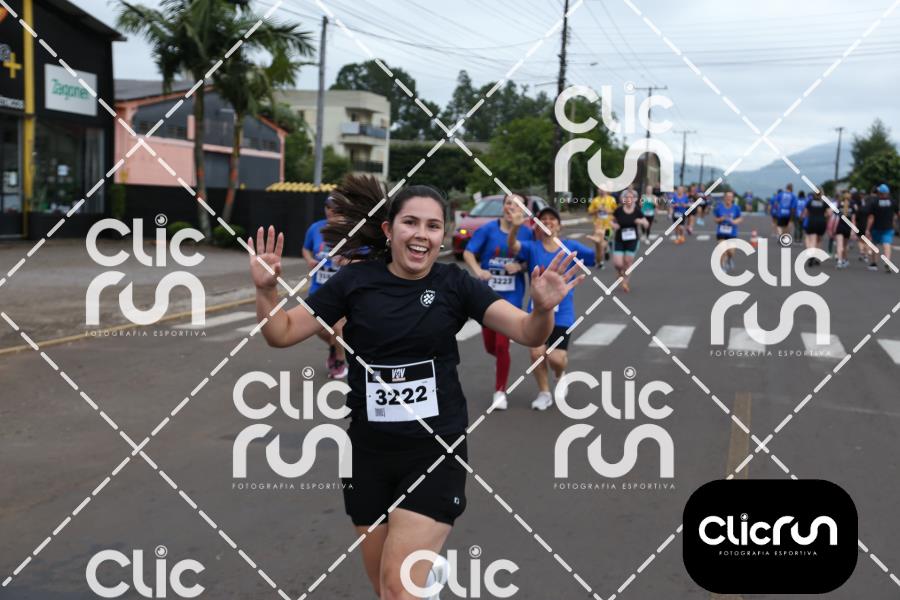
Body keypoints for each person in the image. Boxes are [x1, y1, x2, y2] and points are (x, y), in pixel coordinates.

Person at [249, 175, 583, 600]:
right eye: (411, 222)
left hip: (434, 451)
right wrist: (266, 291)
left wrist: (542, 308)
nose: (421, 234)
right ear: (389, 230)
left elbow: (525, 330)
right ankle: (426, 581)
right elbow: (280, 332)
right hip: (368, 454)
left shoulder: (454, 285)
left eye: (433, 225)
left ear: (442, 236)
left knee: (397, 588)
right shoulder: (354, 283)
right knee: (384, 588)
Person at [507, 206, 601, 411]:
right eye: (543, 219)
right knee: (536, 354)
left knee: (556, 358)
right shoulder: (532, 247)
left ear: (559, 225)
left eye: (552, 219)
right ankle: (544, 393)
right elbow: (513, 246)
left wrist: (600, 244)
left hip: (562, 312)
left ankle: (560, 375)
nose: (548, 222)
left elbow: (597, 259)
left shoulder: (570, 246)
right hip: (537, 311)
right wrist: (514, 227)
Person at [463, 194, 533, 412]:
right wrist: (478, 271)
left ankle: (500, 391)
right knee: (491, 347)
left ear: (523, 210)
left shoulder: (527, 233)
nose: (511, 207)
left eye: (517, 204)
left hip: (512, 296)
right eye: (508, 203)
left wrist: (520, 267)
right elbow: (468, 252)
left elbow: (531, 259)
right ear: (503, 207)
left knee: (502, 346)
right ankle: (502, 360)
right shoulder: (487, 229)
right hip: (487, 295)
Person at [302, 196, 348, 378]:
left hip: (341, 289)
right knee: (317, 328)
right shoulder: (315, 228)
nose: (331, 212)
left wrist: (347, 261)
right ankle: (335, 346)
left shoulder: (350, 231)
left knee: (337, 326)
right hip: (318, 288)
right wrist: (309, 260)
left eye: (335, 209)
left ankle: (340, 362)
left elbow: (364, 255)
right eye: (328, 207)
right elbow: (306, 248)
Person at [610, 189, 649, 292]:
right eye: (626, 197)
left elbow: (646, 223)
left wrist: (641, 221)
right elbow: (611, 221)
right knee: (618, 264)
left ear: (634, 199)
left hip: (632, 240)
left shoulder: (637, 211)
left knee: (628, 262)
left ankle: (625, 282)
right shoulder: (618, 210)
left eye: (631, 197)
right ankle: (619, 273)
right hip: (619, 239)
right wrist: (614, 225)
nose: (629, 199)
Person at [865, 183, 899, 272]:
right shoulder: (892, 201)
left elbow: (871, 217)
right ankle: (887, 261)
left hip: (876, 227)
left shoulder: (875, 202)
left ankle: (874, 264)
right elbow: (898, 213)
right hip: (888, 227)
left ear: (879, 192)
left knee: (874, 245)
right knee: (887, 244)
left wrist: (867, 229)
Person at [714, 191, 743, 272]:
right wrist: (720, 219)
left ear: (732, 198)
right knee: (722, 249)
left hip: (732, 232)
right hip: (721, 232)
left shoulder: (736, 208)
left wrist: (734, 221)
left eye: (730, 197)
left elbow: (740, 218)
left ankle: (729, 259)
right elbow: (715, 219)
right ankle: (723, 267)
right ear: (724, 198)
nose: (728, 198)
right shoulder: (719, 208)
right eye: (727, 197)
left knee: (731, 252)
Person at [587, 188, 617, 268]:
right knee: (598, 245)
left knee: (603, 243)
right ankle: (600, 261)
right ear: (598, 190)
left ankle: (602, 257)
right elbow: (589, 212)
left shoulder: (611, 199)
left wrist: (608, 211)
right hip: (598, 227)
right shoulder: (595, 200)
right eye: (600, 189)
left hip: (608, 227)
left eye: (603, 189)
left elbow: (616, 211)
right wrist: (597, 210)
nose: (601, 190)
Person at [802, 190, 828, 266]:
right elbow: (829, 213)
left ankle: (811, 255)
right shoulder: (824, 203)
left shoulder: (810, 202)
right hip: (821, 222)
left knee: (811, 239)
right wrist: (824, 217)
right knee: (819, 240)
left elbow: (805, 212)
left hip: (812, 221)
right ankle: (816, 257)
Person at [833, 190, 853, 269]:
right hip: (848, 228)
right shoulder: (852, 206)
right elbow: (854, 219)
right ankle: (844, 260)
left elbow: (835, 217)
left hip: (840, 226)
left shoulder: (839, 205)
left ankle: (839, 261)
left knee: (839, 245)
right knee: (845, 246)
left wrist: (833, 228)